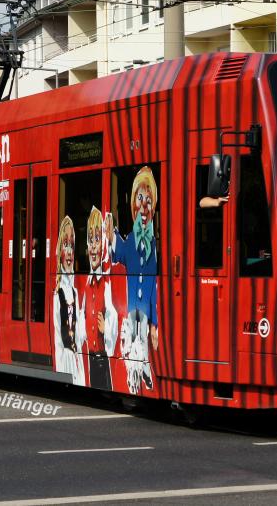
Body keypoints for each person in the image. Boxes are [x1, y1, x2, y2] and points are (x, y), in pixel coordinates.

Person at [107, 166, 159, 394]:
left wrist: (155, 325)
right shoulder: (128, 242)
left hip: (145, 314)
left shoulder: (156, 247)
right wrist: (111, 231)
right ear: (133, 206)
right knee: (133, 336)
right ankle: (136, 372)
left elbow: (155, 289)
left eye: (149, 200)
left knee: (142, 337)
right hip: (132, 312)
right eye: (140, 198)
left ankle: (142, 368)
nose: (144, 206)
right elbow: (117, 251)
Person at [81, 207, 118, 390]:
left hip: (103, 362)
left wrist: (106, 328)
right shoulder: (87, 284)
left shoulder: (107, 283)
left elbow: (113, 314)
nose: (93, 246)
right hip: (91, 361)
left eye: (97, 239)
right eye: (90, 239)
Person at [53, 215, 85, 385]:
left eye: (72, 245)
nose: (70, 251)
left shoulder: (76, 291)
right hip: (65, 360)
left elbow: (80, 335)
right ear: (60, 249)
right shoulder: (57, 294)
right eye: (66, 244)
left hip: (75, 361)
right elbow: (57, 335)